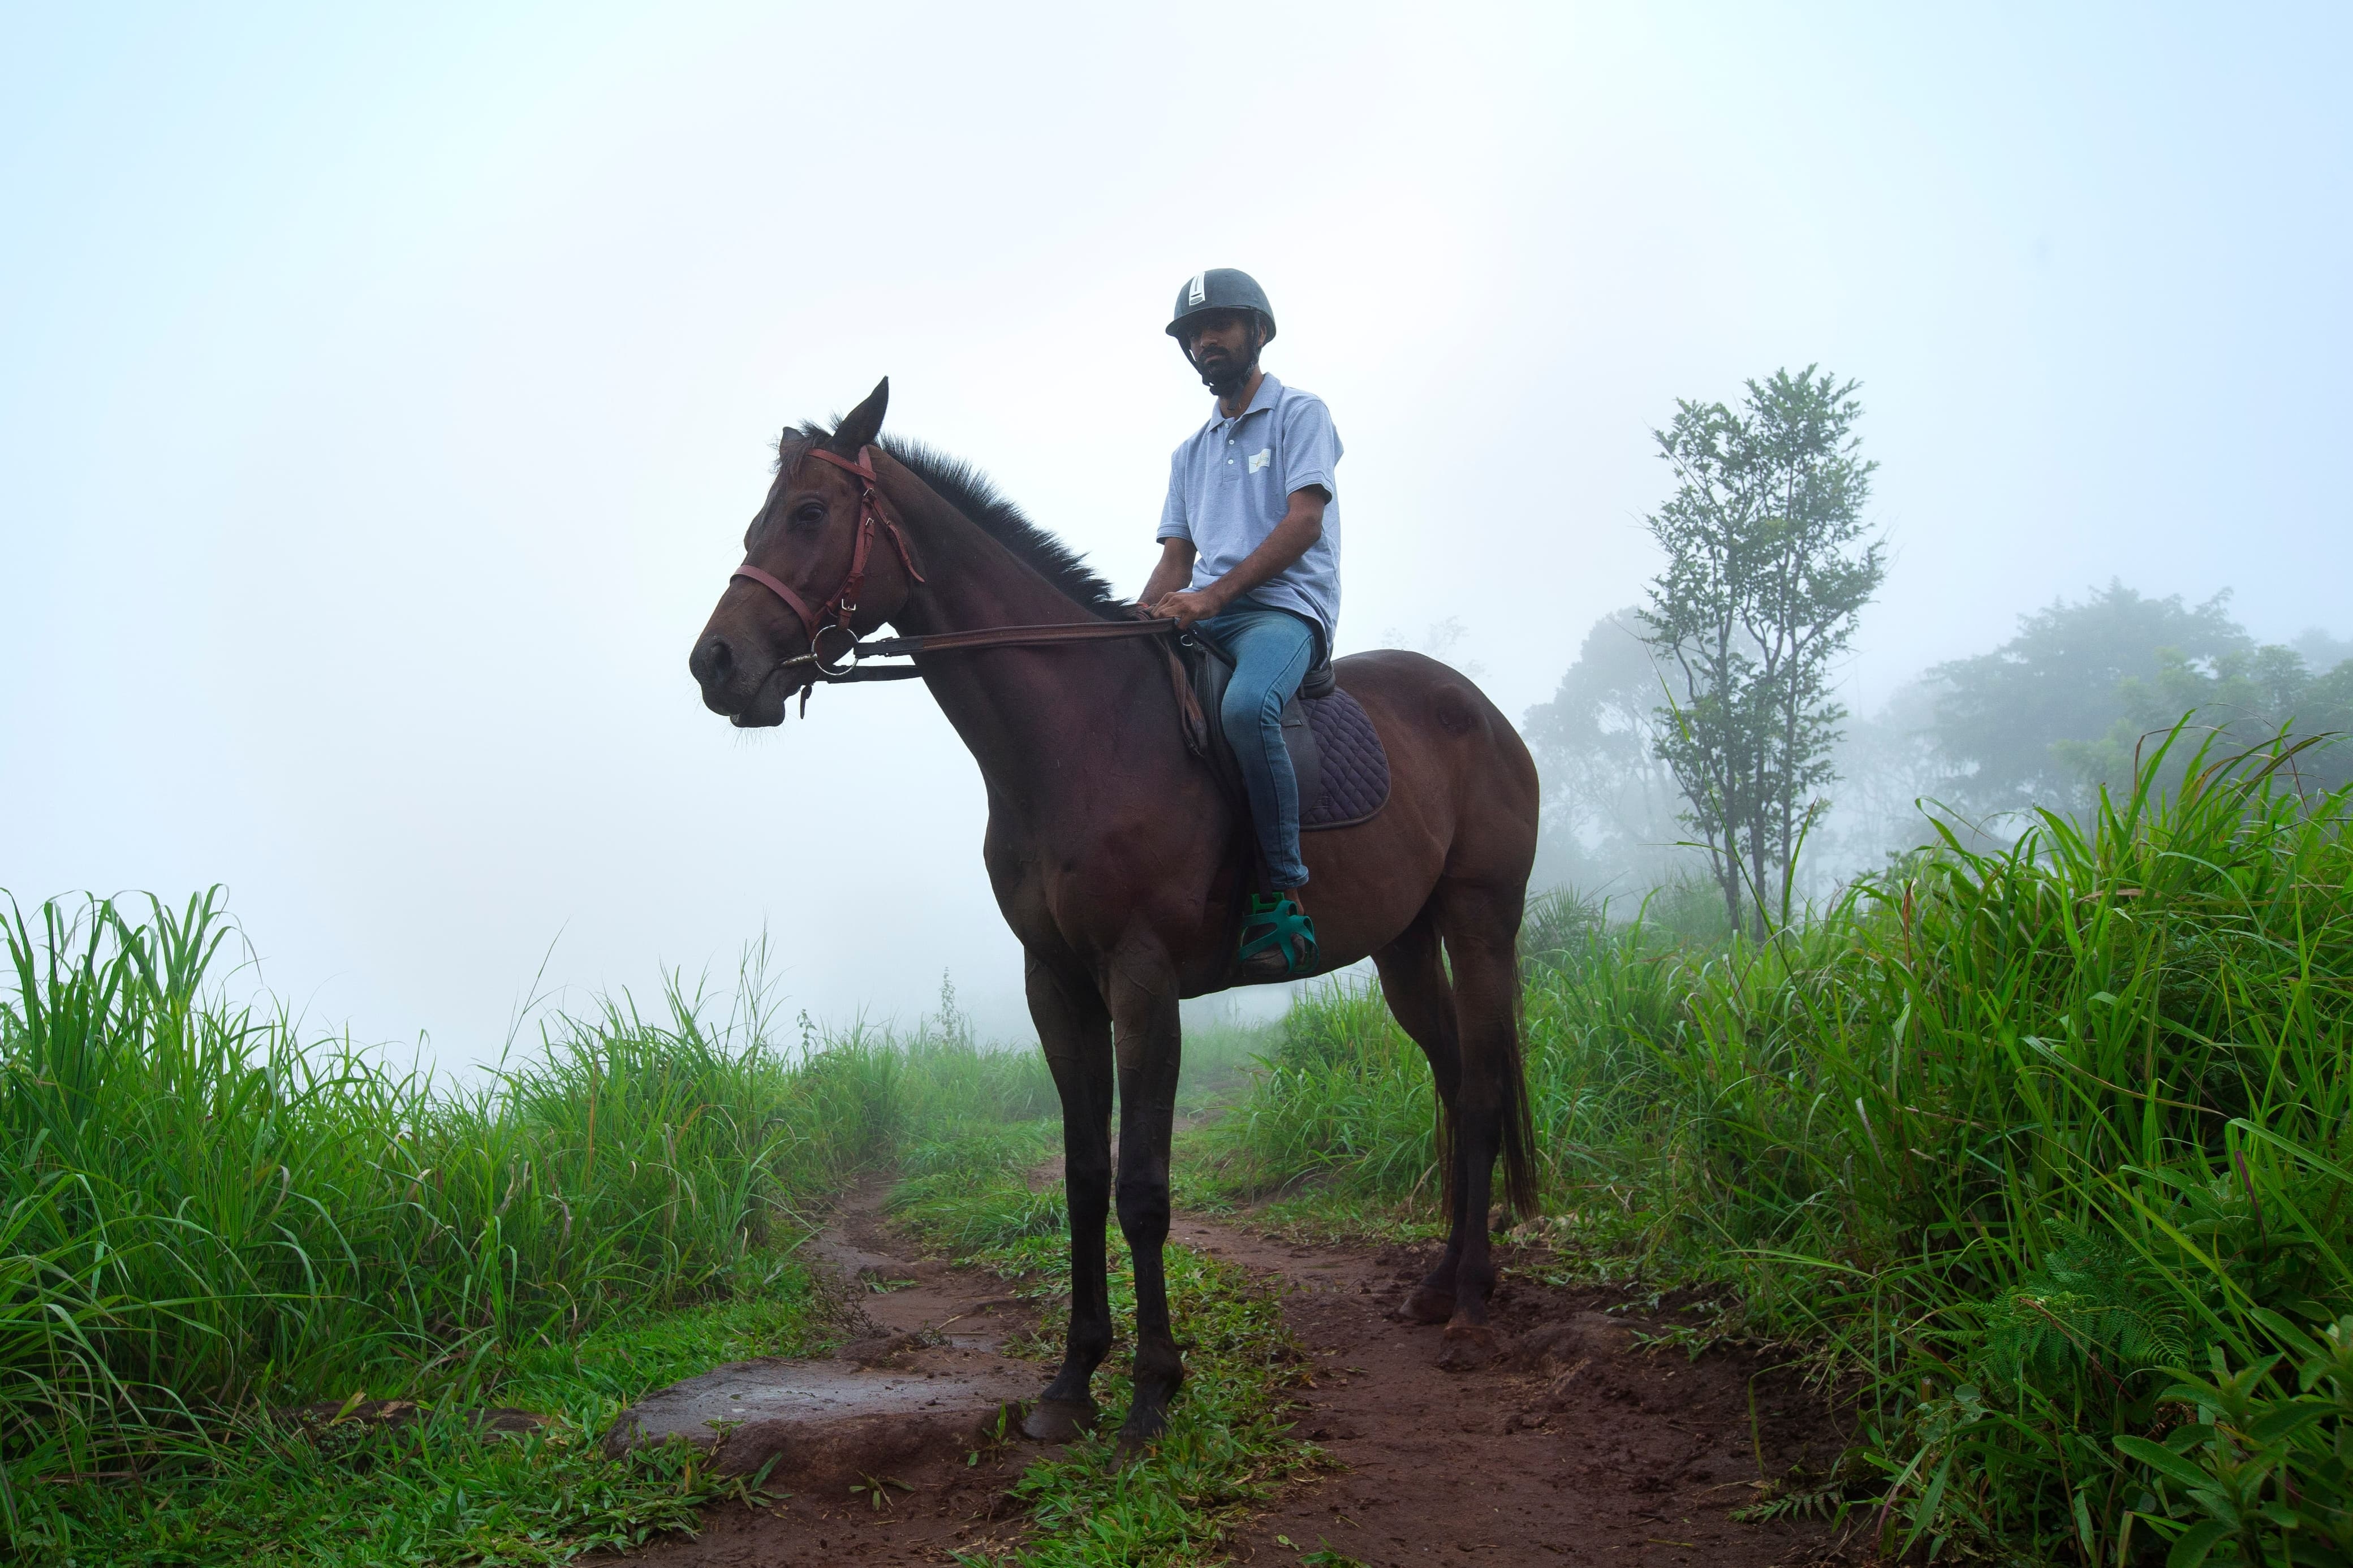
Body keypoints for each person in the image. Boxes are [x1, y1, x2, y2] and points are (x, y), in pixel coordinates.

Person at [1141, 268, 1342, 980]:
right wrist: (1131, 624)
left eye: (1220, 325)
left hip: (1280, 612)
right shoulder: (1188, 453)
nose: (1205, 341)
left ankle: (1283, 895)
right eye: (1194, 334)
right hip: (1206, 611)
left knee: (1248, 706)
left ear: (1258, 331)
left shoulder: (1299, 415)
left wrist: (1216, 596)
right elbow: (1175, 561)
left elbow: (1304, 522)